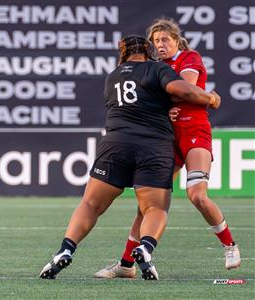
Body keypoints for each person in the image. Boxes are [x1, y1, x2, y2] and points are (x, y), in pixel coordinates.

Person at [39, 35, 221, 280]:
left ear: (123, 53)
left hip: (116, 145)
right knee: (154, 207)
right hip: (154, 147)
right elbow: (183, 90)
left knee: (91, 204)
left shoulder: (112, 76)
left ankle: (65, 249)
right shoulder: (157, 69)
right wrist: (209, 97)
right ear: (148, 51)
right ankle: (145, 248)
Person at [95, 18, 240, 280]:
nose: (160, 45)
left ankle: (229, 245)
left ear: (176, 40)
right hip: (165, 138)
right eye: (156, 41)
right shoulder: (154, 67)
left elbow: (185, 90)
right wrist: (162, 107)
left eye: (165, 40)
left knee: (197, 195)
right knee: (147, 205)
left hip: (194, 132)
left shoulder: (189, 58)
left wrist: (164, 101)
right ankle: (126, 264)